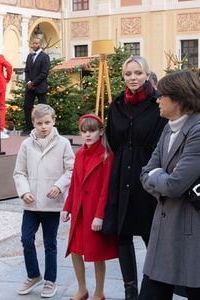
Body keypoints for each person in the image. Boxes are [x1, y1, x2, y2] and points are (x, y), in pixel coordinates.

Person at [102, 56, 167, 300]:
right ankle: (131, 291)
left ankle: (155, 289)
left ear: (147, 74)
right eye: (128, 73)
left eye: (138, 73)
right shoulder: (117, 104)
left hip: (148, 174)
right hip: (121, 175)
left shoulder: (158, 102)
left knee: (152, 235)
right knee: (123, 234)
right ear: (123, 76)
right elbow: (113, 139)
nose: (133, 78)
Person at [138, 70, 200, 300]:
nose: (157, 99)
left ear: (179, 97)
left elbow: (175, 185)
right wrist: (161, 175)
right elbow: (145, 173)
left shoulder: (197, 129)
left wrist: (160, 177)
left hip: (190, 232)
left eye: (161, 94)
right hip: (164, 232)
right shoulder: (169, 126)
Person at [13, 104, 74, 298]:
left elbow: (71, 170)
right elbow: (19, 172)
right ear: (33, 123)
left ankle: (50, 280)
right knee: (26, 239)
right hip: (31, 204)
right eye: (39, 123)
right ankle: (33, 275)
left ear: (54, 121)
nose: (44, 126)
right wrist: (24, 192)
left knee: (50, 243)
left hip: (51, 204)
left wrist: (59, 186)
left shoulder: (63, 143)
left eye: (47, 122)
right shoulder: (26, 144)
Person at [61, 114, 118, 300]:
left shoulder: (106, 156)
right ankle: (82, 289)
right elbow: (75, 184)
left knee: (96, 254)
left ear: (101, 132)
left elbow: (105, 189)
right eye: (84, 131)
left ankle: (99, 292)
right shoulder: (79, 154)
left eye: (92, 131)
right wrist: (67, 207)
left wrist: (99, 215)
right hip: (79, 211)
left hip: (93, 211)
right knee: (75, 251)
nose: (87, 135)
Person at [22, 38, 50, 136]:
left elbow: (44, 73)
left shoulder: (45, 57)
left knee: (44, 109)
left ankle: (45, 128)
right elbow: (26, 71)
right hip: (29, 87)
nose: (34, 45)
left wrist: (33, 83)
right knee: (27, 107)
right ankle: (29, 128)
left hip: (40, 87)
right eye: (33, 43)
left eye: (36, 43)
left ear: (40, 44)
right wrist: (29, 82)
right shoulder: (29, 56)